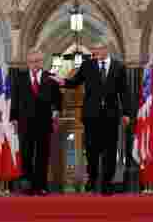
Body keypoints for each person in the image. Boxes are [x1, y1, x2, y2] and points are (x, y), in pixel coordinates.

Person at [57, 42, 131, 195]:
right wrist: (63, 81)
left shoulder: (119, 67)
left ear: (107, 49)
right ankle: (92, 179)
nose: (96, 52)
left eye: (99, 49)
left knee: (110, 151)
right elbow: (75, 81)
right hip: (91, 115)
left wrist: (126, 113)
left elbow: (124, 92)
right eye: (95, 50)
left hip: (111, 115)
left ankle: (107, 184)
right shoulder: (87, 65)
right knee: (91, 150)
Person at [10, 49, 61, 195]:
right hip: (25, 123)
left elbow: (58, 99)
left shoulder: (51, 77)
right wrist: (13, 118)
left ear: (42, 62)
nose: (35, 64)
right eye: (32, 61)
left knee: (42, 156)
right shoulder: (19, 78)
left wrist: (56, 112)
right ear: (28, 62)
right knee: (26, 154)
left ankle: (41, 186)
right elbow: (15, 100)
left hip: (44, 123)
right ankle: (27, 186)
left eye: (38, 61)